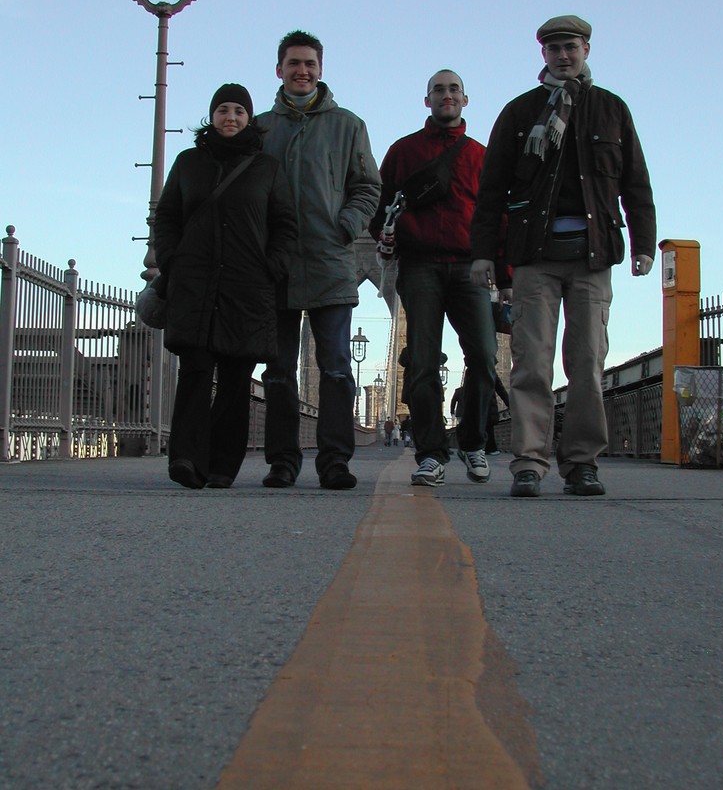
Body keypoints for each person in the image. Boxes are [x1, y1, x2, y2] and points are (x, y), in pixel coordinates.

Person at [471, 15, 656, 497]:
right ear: (544, 55)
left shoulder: (612, 109)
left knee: (588, 361)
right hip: (534, 255)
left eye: (570, 46)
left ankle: (581, 463)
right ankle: (529, 462)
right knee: (532, 362)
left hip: (593, 256)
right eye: (554, 48)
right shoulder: (519, 112)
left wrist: (643, 243)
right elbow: (491, 190)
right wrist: (484, 254)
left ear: (587, 49)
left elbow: (635, 181)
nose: (563, 55)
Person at [154, 84, 297, 490]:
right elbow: (166, 217)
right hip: (195, 282)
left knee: (236, 377)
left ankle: (221, 465)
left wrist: (273, 266)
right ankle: (186, 459)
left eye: (238, 110)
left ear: (249, 118)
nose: (230, 117)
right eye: (222, 110)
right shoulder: (187, 162)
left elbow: (285, 224)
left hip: (247, 285)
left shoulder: (266, 168)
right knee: (196, 370)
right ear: (211, 115)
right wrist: (170, 259)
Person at [256, 30, 381, 490]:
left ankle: (334, 461)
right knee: (279, 370)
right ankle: (282, 462)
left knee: (335, 367)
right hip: (278, 265)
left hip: (330, 261)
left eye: (309, 63)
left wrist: (345, 225)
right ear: (280, 70)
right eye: (293, 63)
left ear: (321, 69)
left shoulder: (349, 125)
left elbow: (369, 186)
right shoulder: (262, 128)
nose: (301, 71)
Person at [370, 69, 505, 487]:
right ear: (426, 100)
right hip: (420, 265)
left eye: (453, 90)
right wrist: (384, 236)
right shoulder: (402, 151)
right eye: (438, 90)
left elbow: (498, 219)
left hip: (470, 267)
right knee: (423, 362)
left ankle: (473, 440)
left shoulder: (482, 156)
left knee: (484, 356)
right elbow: (379, 208)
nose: (446, 96)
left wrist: (508, 277)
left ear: (465, 99)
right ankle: (431, 454)